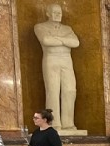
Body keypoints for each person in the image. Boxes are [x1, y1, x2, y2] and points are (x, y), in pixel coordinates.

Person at [34, 3, 80, 131]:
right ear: (48, 13)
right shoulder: (40, 26)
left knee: (70, 91)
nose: (58, 15)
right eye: (55, 12)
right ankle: (54, 123)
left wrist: (56, 39)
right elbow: (46, 40)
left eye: (59, 12)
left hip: (67, 60)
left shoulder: (67, 28)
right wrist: (65, 40)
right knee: (53, 91)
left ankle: (68, 123)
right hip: (51, 59)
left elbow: (76, 42)